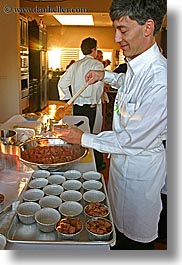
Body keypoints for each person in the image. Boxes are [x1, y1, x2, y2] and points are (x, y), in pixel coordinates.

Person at [54, 0, 167, 250]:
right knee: (114, 230)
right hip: (120, 168)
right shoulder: (137, 66)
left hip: (140, 174)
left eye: (123, 30)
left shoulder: (161, 80)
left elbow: (131, 139)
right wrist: (105, 76)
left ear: (148, 27)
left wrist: (82, 138)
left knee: (135, 242)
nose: (117, 37)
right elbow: (128, 84)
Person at [57, 37, 105, 171]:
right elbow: (97, 87)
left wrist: (69, 98)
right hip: (91, 107)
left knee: (78, 134)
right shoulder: (97, 65)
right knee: (92, 135)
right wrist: (94, 102)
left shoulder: (75, 65)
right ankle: (94, 166)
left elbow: (62, 83)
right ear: (93, 50)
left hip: (77, 106)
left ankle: (79, 165)